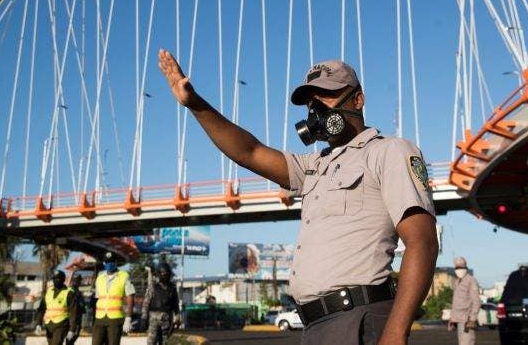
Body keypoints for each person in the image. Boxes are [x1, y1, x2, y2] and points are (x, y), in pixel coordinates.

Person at [158, 51, 438, 344]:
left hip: (360, 320)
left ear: (358, 100)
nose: (316, 109)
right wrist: (196, 105)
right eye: (310, 102)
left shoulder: (390, 152)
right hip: (316, 326)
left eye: (326, 96)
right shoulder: (315, 165)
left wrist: (395, 332)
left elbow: (423, 242)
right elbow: (248, 152)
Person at [92, 252, 134, 345]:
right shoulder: (99, 277)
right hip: (99, 318)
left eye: (111, 262)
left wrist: (128, 318)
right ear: (104, 263)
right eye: (107, 262)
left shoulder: (124, 276)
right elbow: (97, 298)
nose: (109, 264)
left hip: (115, 319)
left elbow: (130, 297)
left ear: (115, 262)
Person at [35, 270, 77, 345]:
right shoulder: (48, 292)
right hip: (49, 325)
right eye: (54, 279)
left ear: (63, 280)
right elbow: (41, 309)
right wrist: (38, 324)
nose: (55, 281)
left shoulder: (69, 293)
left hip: (61, 324)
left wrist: (72, 329)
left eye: (58, 279)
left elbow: (73, 312)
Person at [141, 263, 180, 345]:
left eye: (166, 274)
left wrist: (177, 317)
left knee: (164, 342)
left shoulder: (172, 288)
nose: (165, 275)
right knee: (151, 342)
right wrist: (144, 318)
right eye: (163, 273)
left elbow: (175, 304)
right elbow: (146, 303)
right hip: (153, 320)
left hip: (166, 319)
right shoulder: (153, 287)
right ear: (159, 274)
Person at [448, 257, 480, 345]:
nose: (459, 270)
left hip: (467, 321)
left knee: (466, 343)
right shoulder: (457, 281)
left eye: (461, 267)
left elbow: (476, 302)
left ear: (466, 268)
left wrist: (472, 319)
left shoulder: (471, 280)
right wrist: (452, 319)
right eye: (457, 268)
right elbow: (456, 302)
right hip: (458, 320)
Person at [66, 274, 85, 345]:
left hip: (77, 318)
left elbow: (82, 306)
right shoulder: (70, 292)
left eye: (77, 281)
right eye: (75, 280)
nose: (76, 282)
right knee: (69, 340)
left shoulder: (78, 292)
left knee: (71, 339)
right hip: (72, 319)